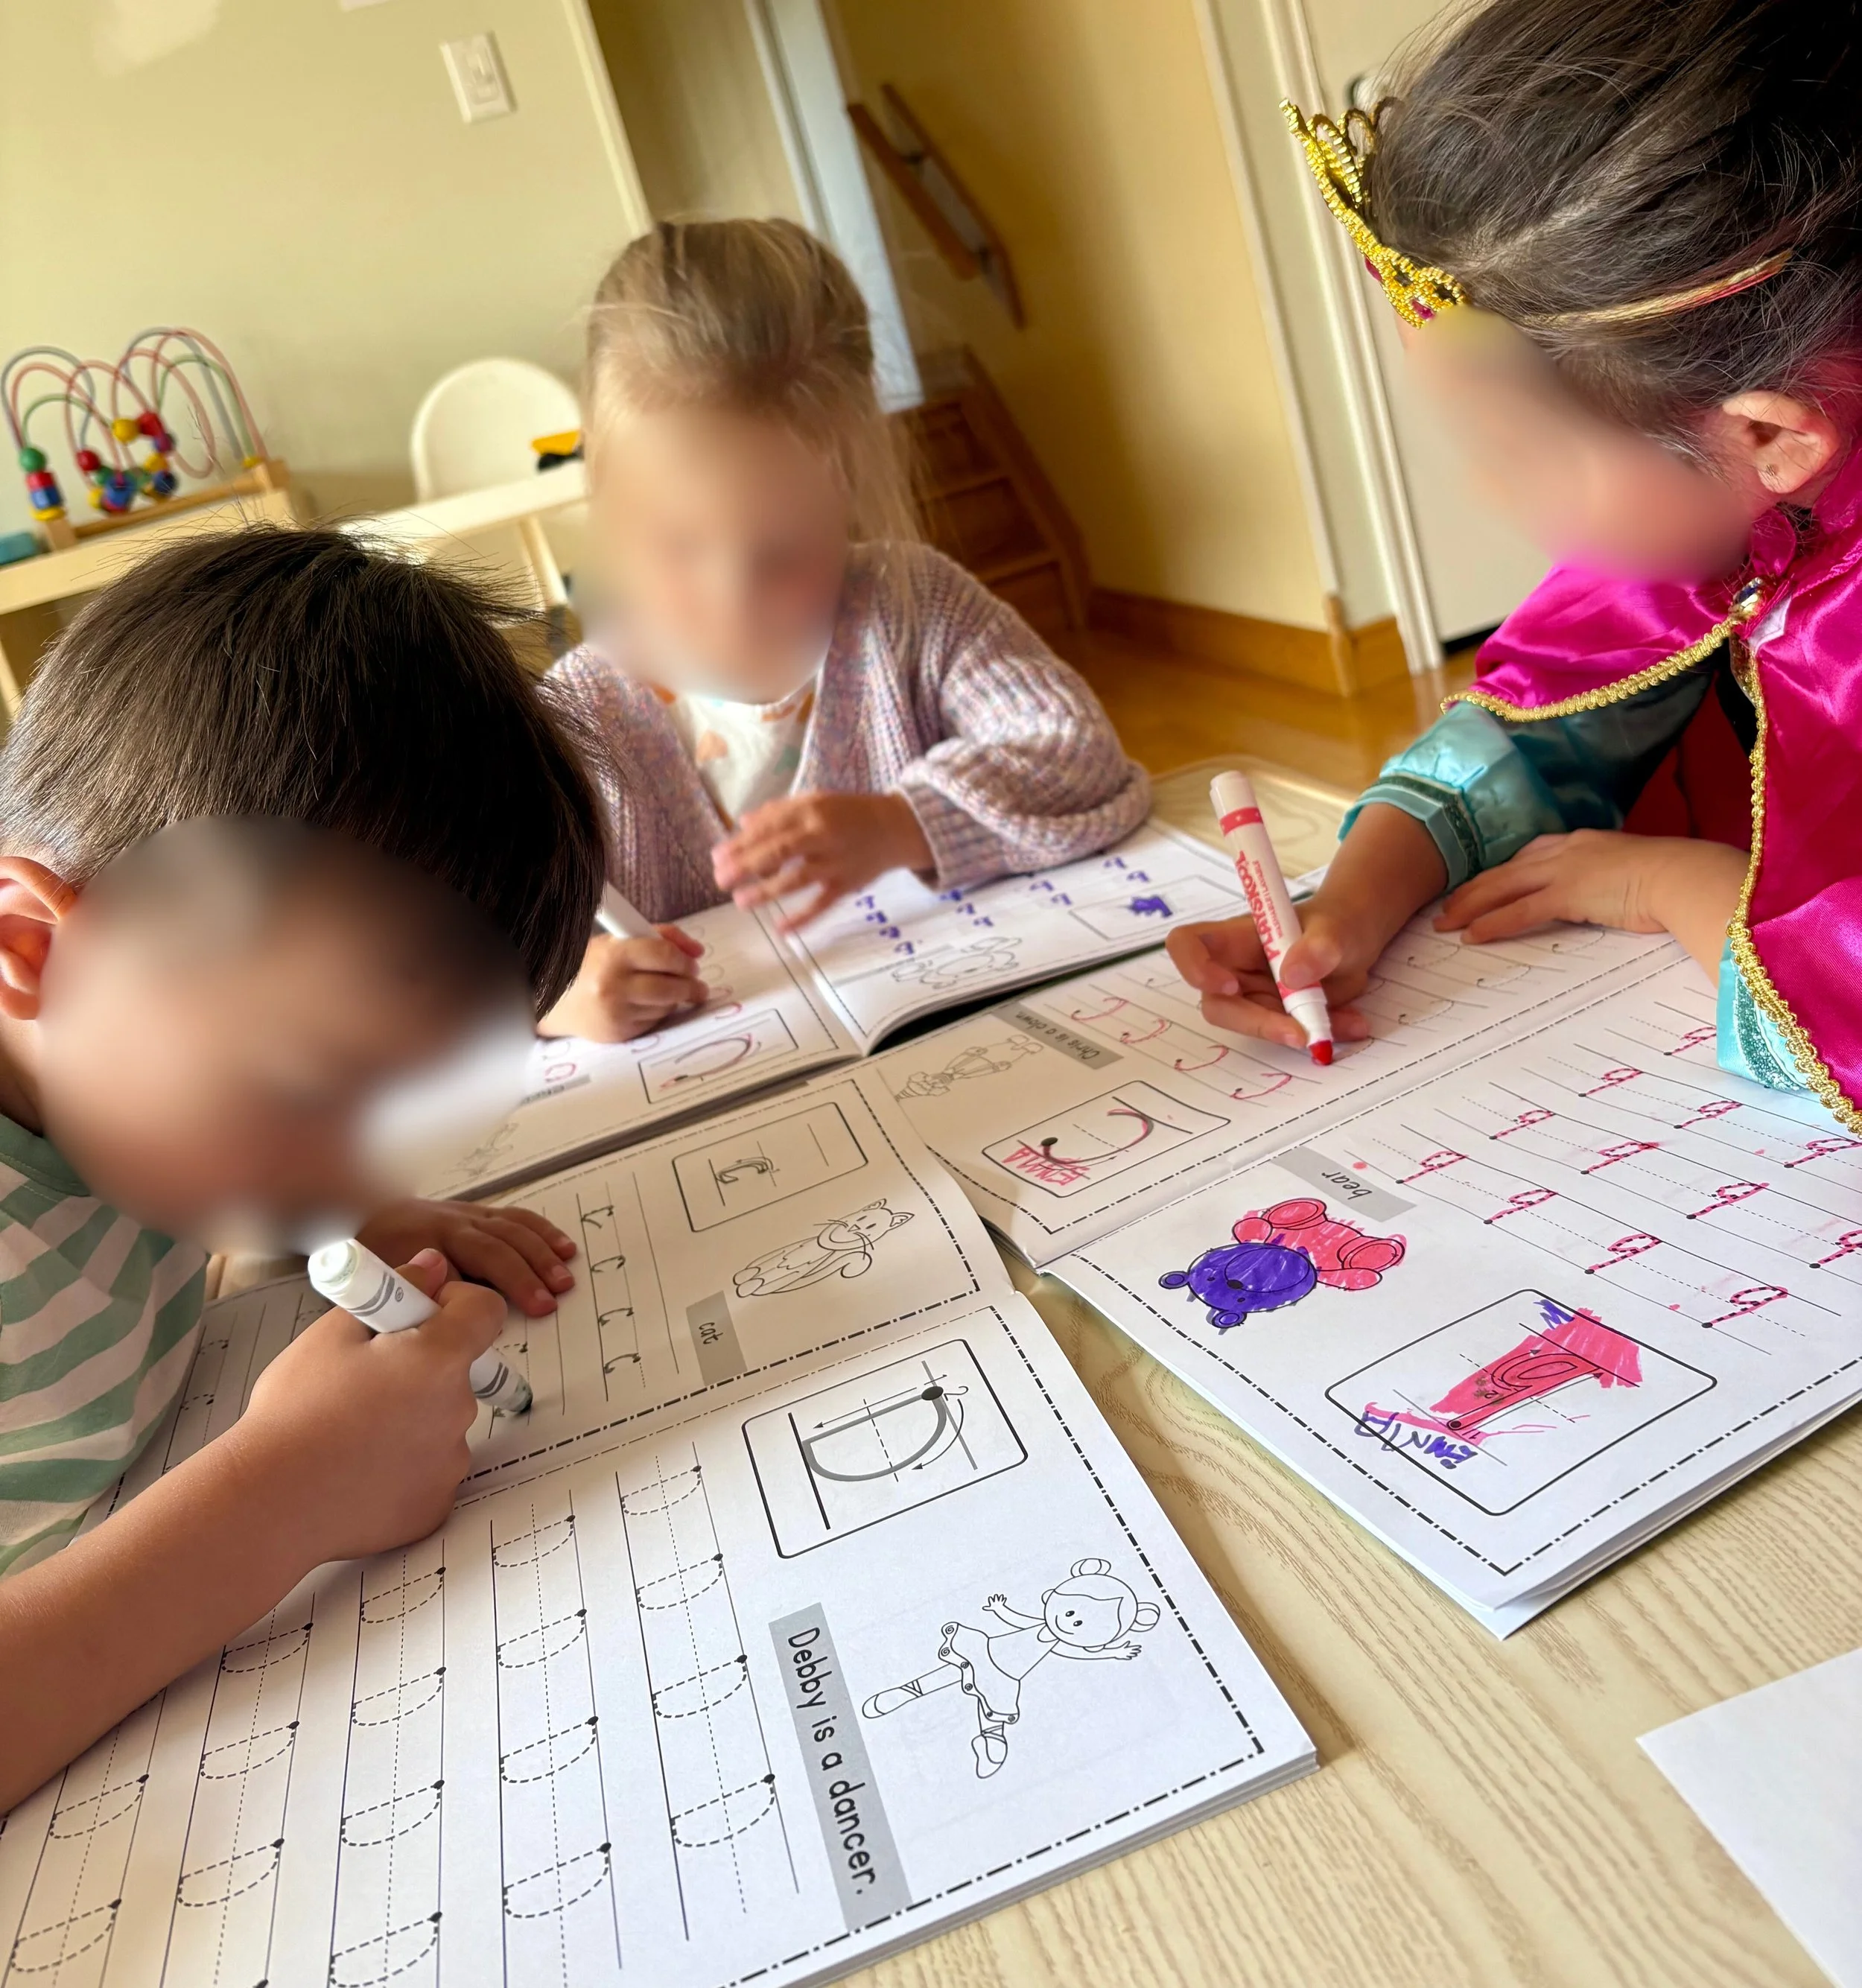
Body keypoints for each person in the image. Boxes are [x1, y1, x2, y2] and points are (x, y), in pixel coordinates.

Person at [1169, 0, 1862, 1131]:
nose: (1489, 499)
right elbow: (1545, 721)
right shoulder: (1733, 485)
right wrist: (1349, 904)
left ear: (1771, 438)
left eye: (1521, 457)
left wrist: (1665, 883)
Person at [0, 526, 607, 1807]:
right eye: (310, 1088)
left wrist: (347, 1203)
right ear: (30, 947)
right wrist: (275, 1501)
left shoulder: (115, 1080)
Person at [544, 218, 1149, 1043]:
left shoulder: (911, 609)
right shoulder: (577, 717)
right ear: (609, 510)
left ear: (850, 494)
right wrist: (559, 994)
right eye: (680, 545)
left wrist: (902, 824)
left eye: (784, 550)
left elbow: (1078, 752)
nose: (734, 596)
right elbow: (451, 944)